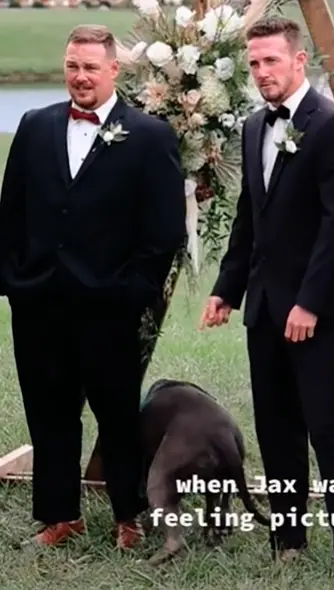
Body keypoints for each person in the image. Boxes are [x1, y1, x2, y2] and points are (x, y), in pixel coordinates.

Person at [199, 16, 334, 587]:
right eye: (253, 63)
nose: (261, 72)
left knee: (327, 428)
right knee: (275, 429)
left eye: (271, 60)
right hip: (264, 309)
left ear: (299, 61)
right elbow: (252, 218)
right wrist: (227, 289)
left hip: (314, 311)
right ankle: (288, 539)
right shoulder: (252, 128)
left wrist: (310, 304)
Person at [0, 25, 186, 548]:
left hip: (110, 306)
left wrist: (133, 292)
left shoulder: (149, 136)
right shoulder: (34, 126)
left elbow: (165, 231)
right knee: (49, 412)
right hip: (38, 302)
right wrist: (12, 280)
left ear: (113, 71)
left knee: (118, 415)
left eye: (89, 68)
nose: (79, 78)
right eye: (71, 66)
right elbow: (10, 210)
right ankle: (60, 515)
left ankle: (129, 516)